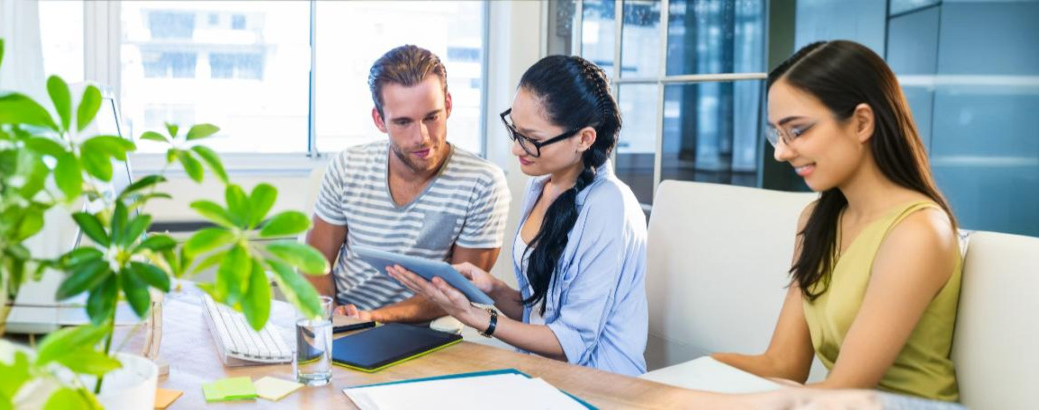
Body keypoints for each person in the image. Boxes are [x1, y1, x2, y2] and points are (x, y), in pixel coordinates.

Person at [710, 40, 963, 401]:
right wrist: (688, 374)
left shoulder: (917, 232)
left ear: (861, 122)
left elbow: (843, 390)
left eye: (796, 131)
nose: (781, 153)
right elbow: (783, 364)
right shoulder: (815, 221)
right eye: (777, 135)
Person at [388, 55, 647, 375]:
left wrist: (479, 318)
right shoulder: (541, 186)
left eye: (532, 140)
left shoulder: (609, 205)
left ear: (584, 138)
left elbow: (571, 343)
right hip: (539, 371)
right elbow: (539, 315)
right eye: (515, 130)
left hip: (602, 382)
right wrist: (494, 290)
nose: (516, 149)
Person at [305, 44, 511, 323]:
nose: (422, 137)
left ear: (448, 105)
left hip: (424, 333)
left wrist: (373, 317)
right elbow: (314, 264)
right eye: (403, 122)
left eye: (432, 117)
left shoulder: (483, 183)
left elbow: (461, 291)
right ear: (379, 120)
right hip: (343, 321)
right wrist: (330, 315)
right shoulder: (347, 167)